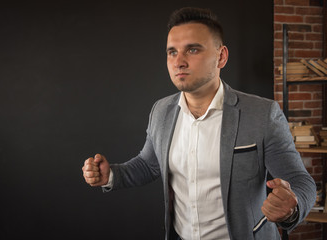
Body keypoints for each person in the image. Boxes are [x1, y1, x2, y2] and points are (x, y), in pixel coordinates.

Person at [82, 7, 316, 240]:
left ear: (221, 56)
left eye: (192, 50)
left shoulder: (262, 114)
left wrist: (292, 207)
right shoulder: (161, 111)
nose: (179, 62)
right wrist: (111, 175)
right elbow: (149, 164)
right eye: (172, 52)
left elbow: (301, 181)